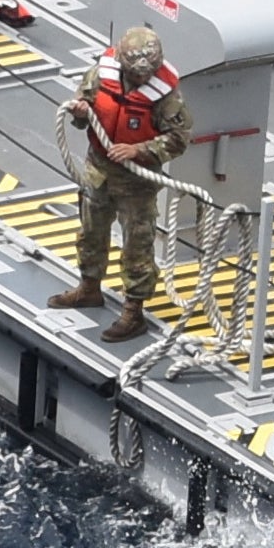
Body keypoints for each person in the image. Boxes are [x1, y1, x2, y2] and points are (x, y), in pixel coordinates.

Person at [69, 21, 183, 324]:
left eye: (146, 73)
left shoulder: (166, 96)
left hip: (137, 181)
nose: (141, 77)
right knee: (91, 231)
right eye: (135, 72)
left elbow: (178, 139)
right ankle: (89, 287)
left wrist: (139, 150)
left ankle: (133, 310)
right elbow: (84, 108)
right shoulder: (100, 75)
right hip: (99, 170)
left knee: (138, 242)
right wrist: (81, 113)